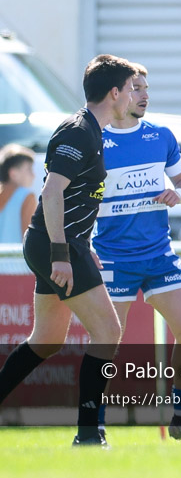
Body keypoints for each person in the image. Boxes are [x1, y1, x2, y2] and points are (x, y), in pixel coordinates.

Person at [0, 54, 135, 447]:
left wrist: (81, 245)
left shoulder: (92, 130)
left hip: (59, 243)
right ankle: (90, 435)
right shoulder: (80, 131)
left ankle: (89, 434)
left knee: (46, 339)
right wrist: (62, 252)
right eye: (130, 89)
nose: (133, 96)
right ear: (114, 93)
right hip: (53, 245)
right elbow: (52, 191)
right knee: (108, 331)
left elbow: (75, 198)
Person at [93, 64, 181, 444]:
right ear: (117, 94)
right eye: (136, 87)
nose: (144, 95)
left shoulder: (161, 136)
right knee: (106, 343)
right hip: (112, 258)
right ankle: (93, 424)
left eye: (146, 88)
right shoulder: (93, 140)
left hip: (159, 255)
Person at [0, 144, 37, 243]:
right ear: (13, 174)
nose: (33, 175)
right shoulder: (26, 196)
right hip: (16, 257)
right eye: (29, 169)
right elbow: (29, 239)